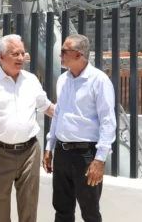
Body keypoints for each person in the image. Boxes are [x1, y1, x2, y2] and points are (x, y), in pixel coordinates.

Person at [0, 34, 55, 222]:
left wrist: (71, 113)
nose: (20, 58)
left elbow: (47, 107)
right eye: (15, 54)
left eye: (23, 53)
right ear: (1, 56)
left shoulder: (31, 80)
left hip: (30, 152)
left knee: (29, 207)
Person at [44, 34, 116, 222]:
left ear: (78, 54)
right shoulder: (63, 80)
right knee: (62, 209)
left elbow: (108, 121)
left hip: (86, 155)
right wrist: (49, 147)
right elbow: (58, 114)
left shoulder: (99, 80)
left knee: (90, 212)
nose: (60, 55)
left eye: (63, 52)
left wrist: (99, 160)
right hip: (62, 152)